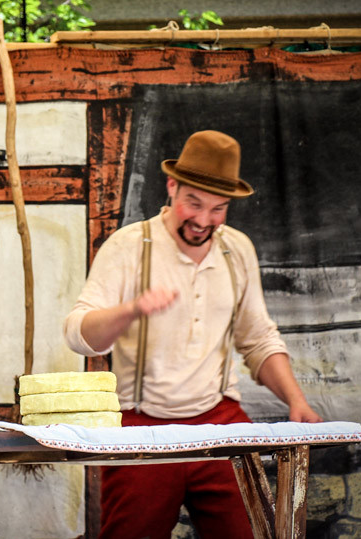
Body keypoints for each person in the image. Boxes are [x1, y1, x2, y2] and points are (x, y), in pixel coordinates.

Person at [63, 129, 322, 539]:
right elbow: (79, 334)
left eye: (218, 209)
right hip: (141, 426)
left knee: (251, 532)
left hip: (218, 420)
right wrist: (132, 309)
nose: (203, 221)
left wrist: (296, 401)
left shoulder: (237, 251)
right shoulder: (130, 246)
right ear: (171, 186)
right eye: (193, 203)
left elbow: (258, 338)